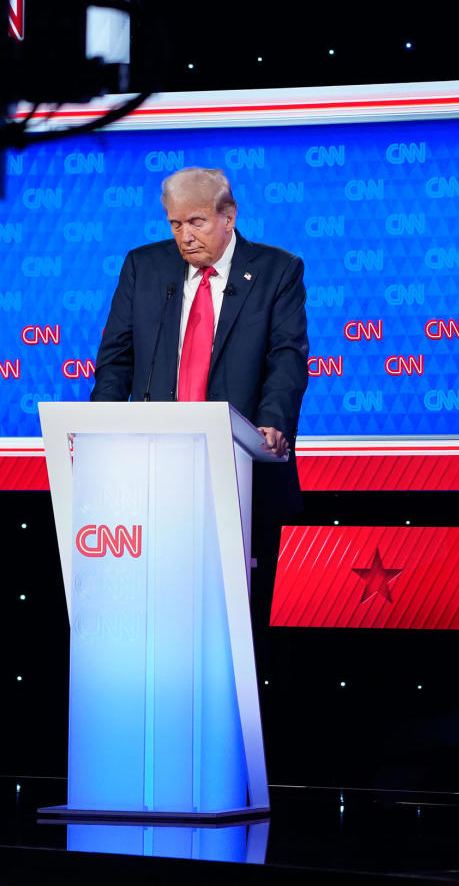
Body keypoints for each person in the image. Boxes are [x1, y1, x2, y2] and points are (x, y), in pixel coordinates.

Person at [92, 166, 309, 681]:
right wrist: (98, 427)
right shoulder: (145, 268)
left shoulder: (278, 270)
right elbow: (116, 358)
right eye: (174, 225)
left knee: (238, 626)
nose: (184, 236)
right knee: (157, 617)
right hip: (153, 476)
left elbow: (287, 357)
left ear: (228, 217)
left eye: (195, 222)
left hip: (242, 473)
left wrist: (272, 422)